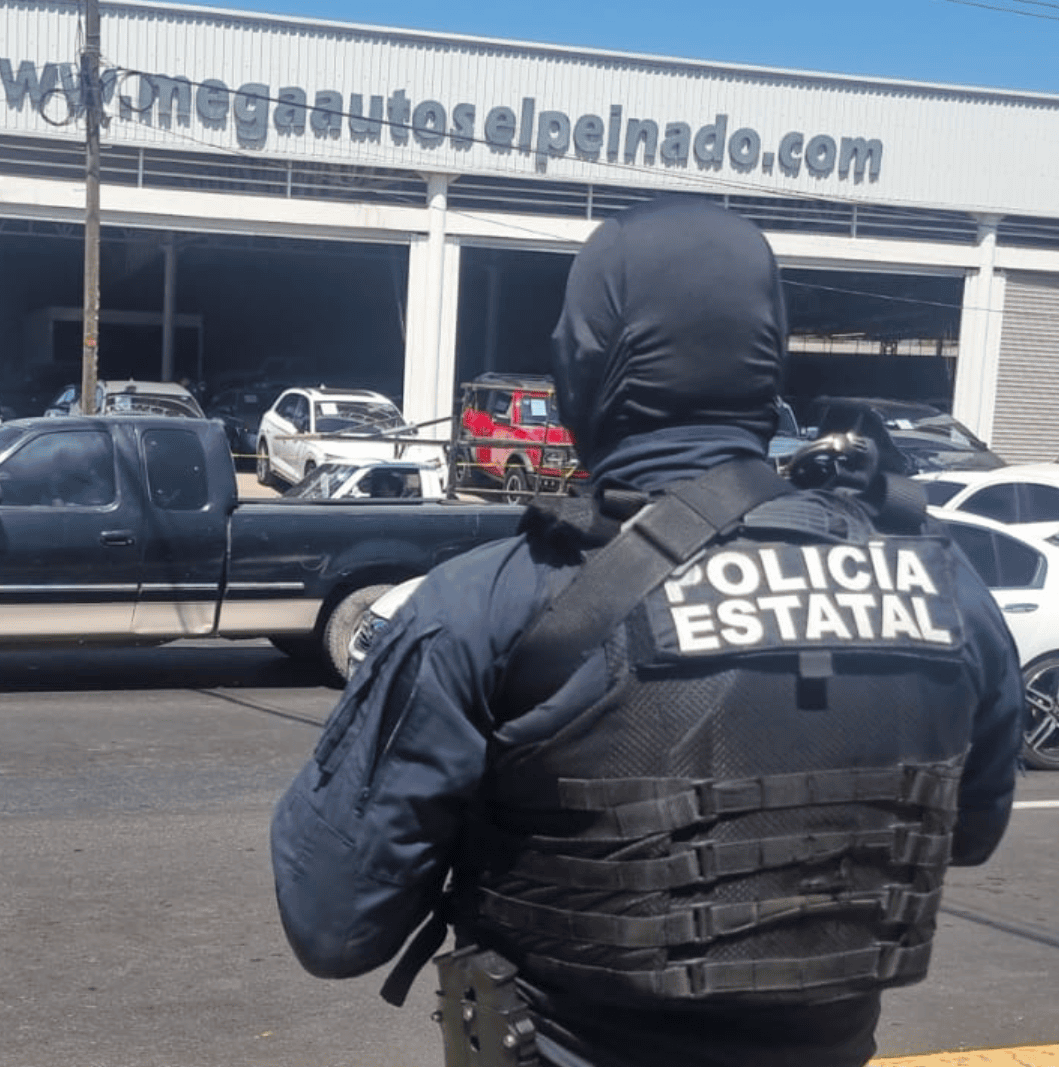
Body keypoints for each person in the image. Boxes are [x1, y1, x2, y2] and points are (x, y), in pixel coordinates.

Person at [270, 198, 1022, 1067]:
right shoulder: (945, 591)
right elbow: (969, 834)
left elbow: (332, 924)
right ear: (765, 360)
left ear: (585, 364)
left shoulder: (489, 604)